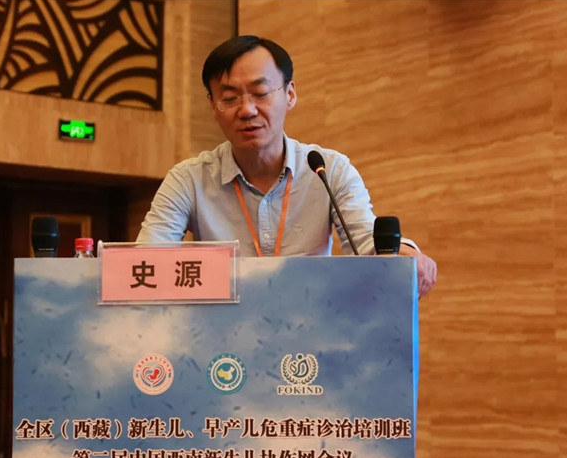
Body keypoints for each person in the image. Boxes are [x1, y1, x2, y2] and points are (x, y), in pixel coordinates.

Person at [137, 35, 437, 297]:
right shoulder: (188, 180)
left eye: (260, 93)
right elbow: (144, 262)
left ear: (289, 94)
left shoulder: (328, 169)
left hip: (310, 330)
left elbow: (366, 243)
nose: (247, 110)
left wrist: (405, 254)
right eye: (229, 98)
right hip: (219, 336)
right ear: (213, 107)